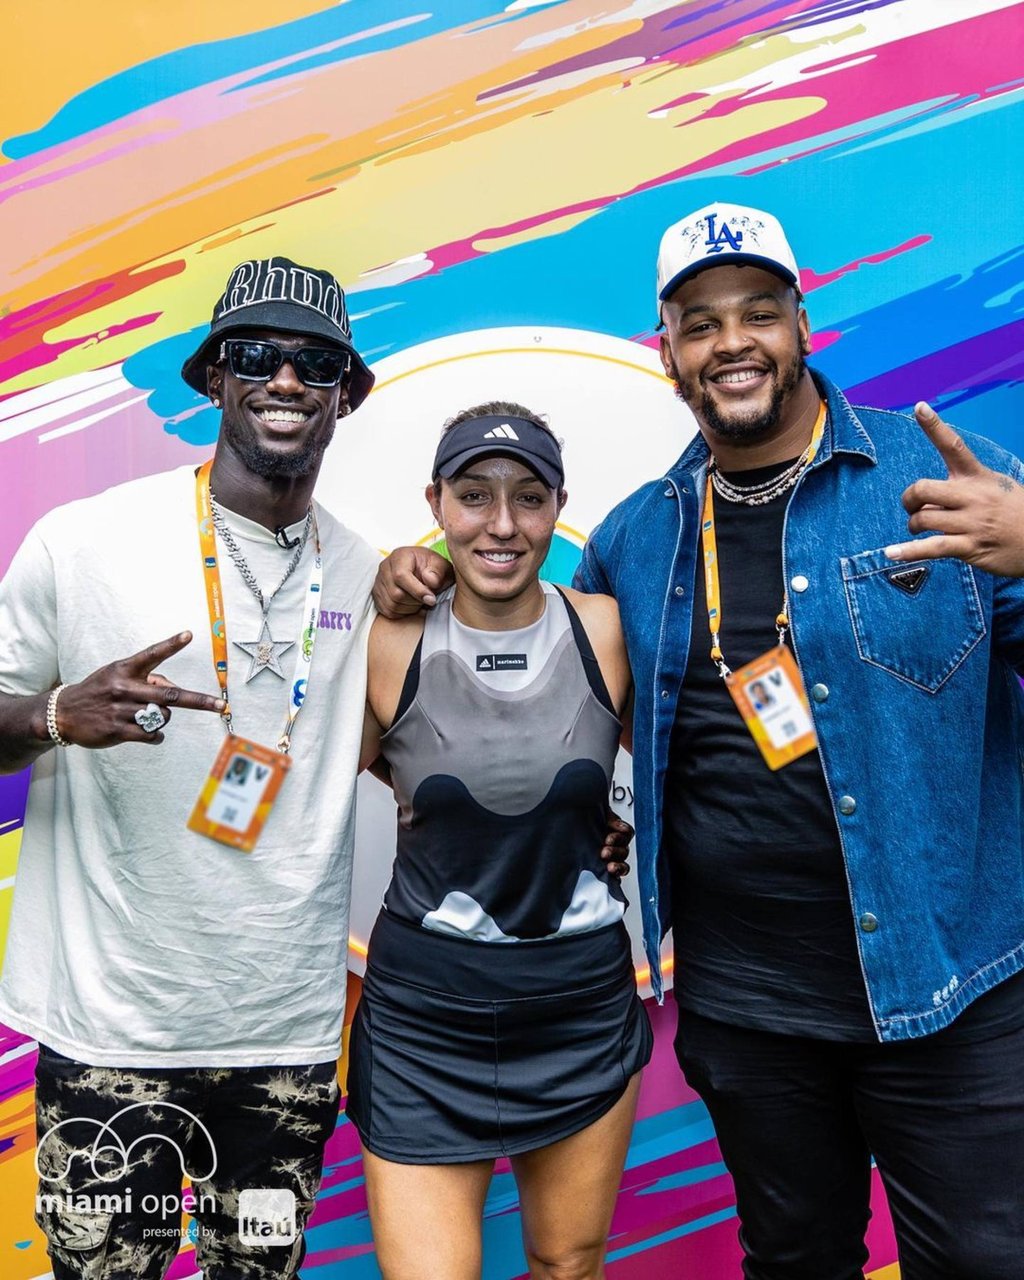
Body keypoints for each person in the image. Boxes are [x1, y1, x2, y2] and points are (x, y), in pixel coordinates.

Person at [372, 203, 1024, 1279]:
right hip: (747, 1007)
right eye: (700, 322)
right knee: (791, 1259)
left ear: (801, 323)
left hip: (947, 992)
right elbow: (535, 691)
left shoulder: (940, 475)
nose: (732, 342)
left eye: (757, 313)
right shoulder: (637, 534)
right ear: (667, 351)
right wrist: (412, 576)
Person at [0, 256, 383, 1280]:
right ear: (213, 378)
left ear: (348, 393)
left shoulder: (372, 573)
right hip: (111, 1032)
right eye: (255, 356)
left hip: (284, 1044)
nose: (286, 381)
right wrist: (50, 711)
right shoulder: (81, 543)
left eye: (316, 363)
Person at [349, 403, 653, 1280]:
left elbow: (691, 767)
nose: (502, 524)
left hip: (578, 1009)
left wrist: (616, 820)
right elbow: (311, 789)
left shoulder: (604, 628)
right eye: (474, 495)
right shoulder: (390, 636)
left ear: (559, 507)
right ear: (436, 502)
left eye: (528, 497)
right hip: (423, 1022)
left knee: (567, 1264)